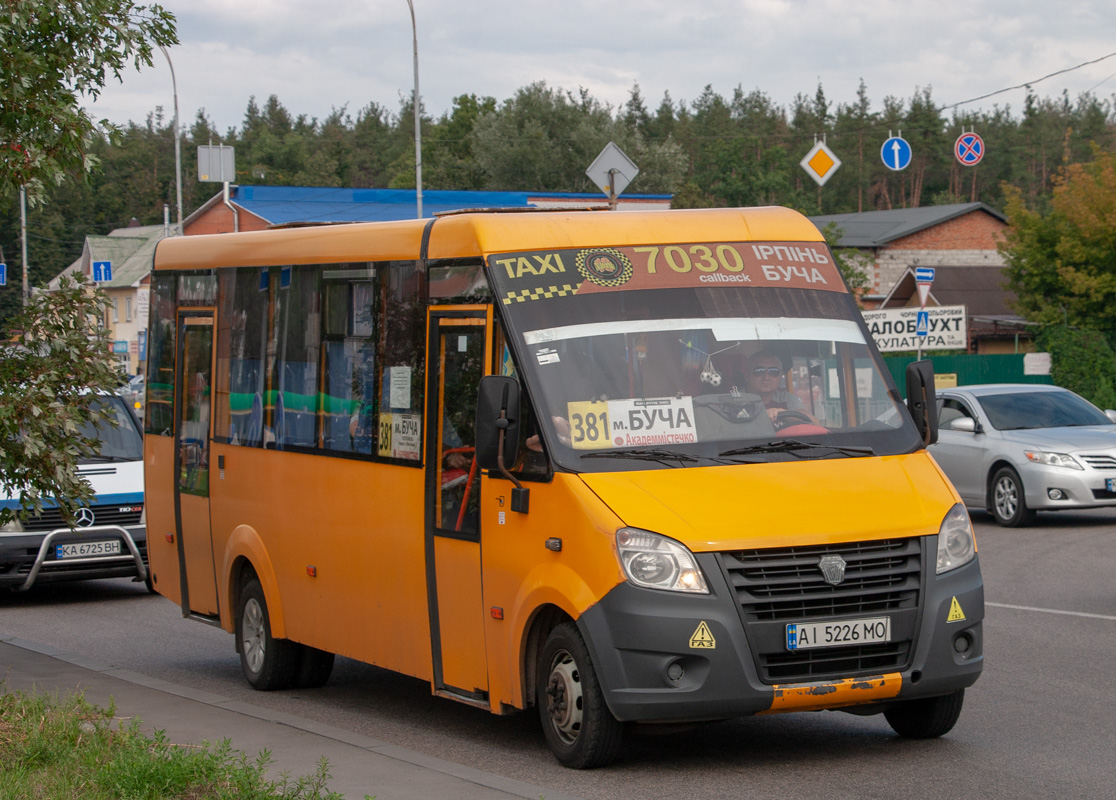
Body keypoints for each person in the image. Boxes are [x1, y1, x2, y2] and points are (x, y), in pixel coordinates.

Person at [742, 350, 814, 426]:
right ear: (746, 375)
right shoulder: (736, 400)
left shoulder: (785, 398)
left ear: (780, 376)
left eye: (773, 371)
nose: (766, 377)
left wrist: (784, 413)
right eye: (759, 371)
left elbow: (814, 422)